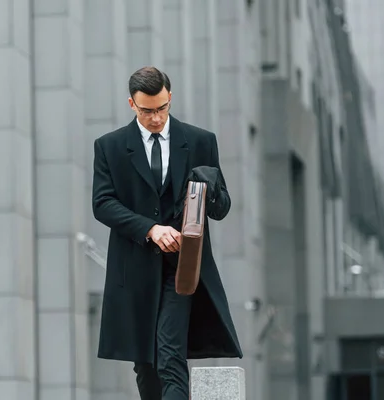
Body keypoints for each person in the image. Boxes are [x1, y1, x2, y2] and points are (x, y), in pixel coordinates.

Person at [91, 66, 243, 399]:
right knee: (145, 365)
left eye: (162, 108)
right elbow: (102, 204)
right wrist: (150, 229)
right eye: (147, 111)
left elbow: (221, 208)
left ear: (170, 99)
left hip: (182, 269)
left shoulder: (201, 141)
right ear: (131, 104)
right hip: (134, 269)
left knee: (170, 353)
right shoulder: (110, 147)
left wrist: (210, 187)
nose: (156, 118)